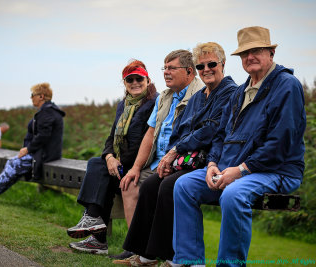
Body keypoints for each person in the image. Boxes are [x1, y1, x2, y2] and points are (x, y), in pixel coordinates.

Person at [172, 26, 306, 266]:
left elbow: (280, 143)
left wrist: (241, 170)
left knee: (233, 195)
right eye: (245, 53)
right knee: (184, 185)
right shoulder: (240, 91)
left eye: (256, 51)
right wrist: (213, 163)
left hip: (276, 170)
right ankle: (189, 261)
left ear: (271, 53)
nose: (250, 57)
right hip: (231, 167)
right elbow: (221, 135)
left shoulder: (287, 86)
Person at [116, 43, 237, 266]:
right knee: (152, 184)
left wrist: (174, 153)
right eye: (202, 65)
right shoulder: (201, 96)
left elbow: (211, 129)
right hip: (187, 159)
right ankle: (146, 254)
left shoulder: (230, 92)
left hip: (210, 161)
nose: (206, 69)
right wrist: (172, 157)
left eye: (211, 64)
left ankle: (171, 256)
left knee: (168, 186)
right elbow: (180, 129)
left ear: (223, 64)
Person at [114, 49, 204, 260]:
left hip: (181, 163)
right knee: (129, 183)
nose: (166, 72)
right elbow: (151, 132)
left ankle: (158, 253)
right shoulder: (165, 96)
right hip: (157, 161)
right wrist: (136, 168)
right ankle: (136, 248)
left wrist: (171, 160)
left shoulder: (199, 96)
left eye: (172, 68)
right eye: (165, 68)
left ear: (189, 71)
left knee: (160, 187)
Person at [66, 60, 158, 255]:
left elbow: (145, 142)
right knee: (99, 164)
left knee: (101, 172)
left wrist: (119, 162)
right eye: (129, 80)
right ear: (124, 83)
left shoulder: (154, 103)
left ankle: (96, 234)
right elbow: (111, 137)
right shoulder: (122, 105)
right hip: (121, 164)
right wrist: (109, 157)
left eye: (139, 79)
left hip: (140, 166)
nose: (135, 83)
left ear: (148, 80)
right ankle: (95, 229)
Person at [0, 82, 65, 202]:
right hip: (43, 153)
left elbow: (43, 136)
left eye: (32, 95)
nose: (31, 98)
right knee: (13, 164)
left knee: (14, 164)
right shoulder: (49, 110)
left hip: (44, 155)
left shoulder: (47, 112)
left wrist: (28, 149)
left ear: (41, 96)